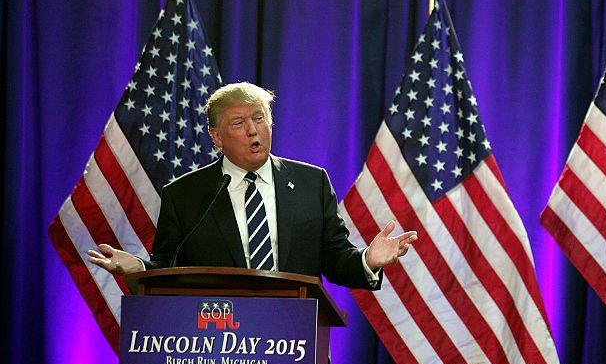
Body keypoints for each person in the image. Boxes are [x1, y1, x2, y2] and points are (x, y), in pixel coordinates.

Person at [88, 82, 415, 287]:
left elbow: (334, 258)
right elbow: (169, 267)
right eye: (239, 123)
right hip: (215, 351)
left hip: (294, 346)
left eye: (259, 119)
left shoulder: (310, 184)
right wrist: (140, 268)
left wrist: (368, 260)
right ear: (216, 137)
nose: (253, 130)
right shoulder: (186, 195)